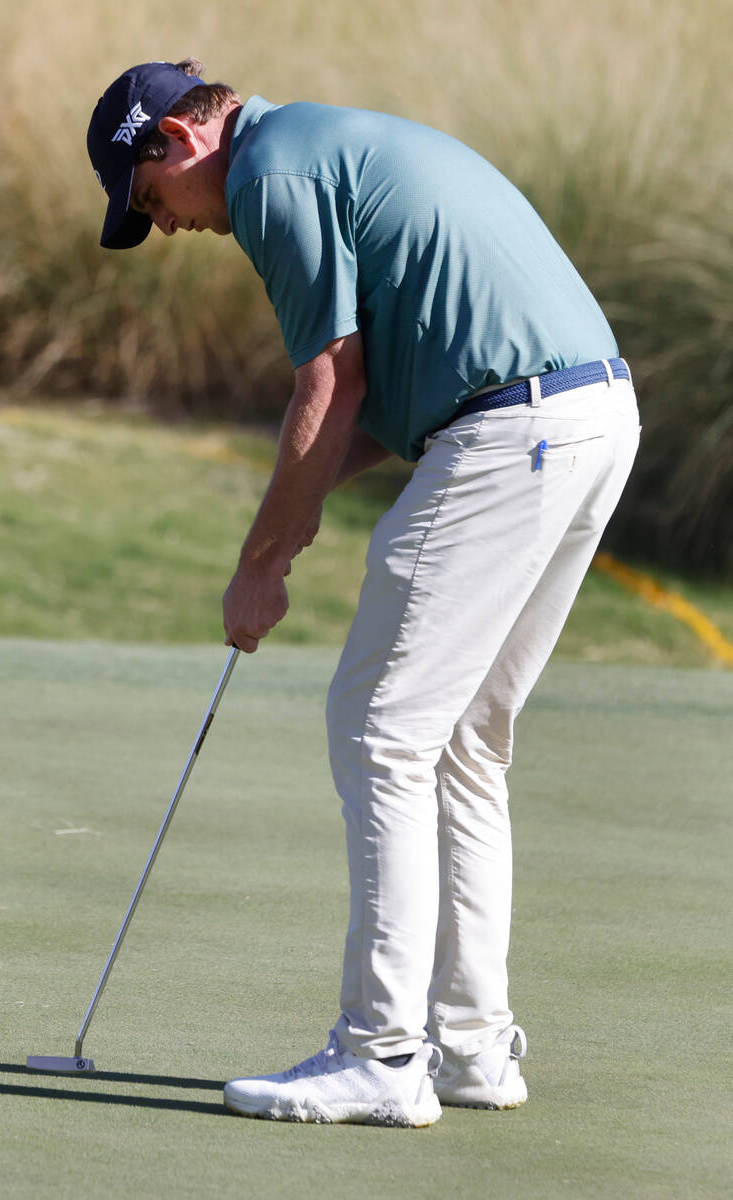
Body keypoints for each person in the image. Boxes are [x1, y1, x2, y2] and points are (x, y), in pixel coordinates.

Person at [86, 59, 640, 1126]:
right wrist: (283, 534)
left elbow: (328, 379)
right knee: (466, 740)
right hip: (590, 417)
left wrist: (258, 565)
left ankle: (383, 1053)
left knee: (382, 727)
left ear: (178, 142)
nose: (164, 227)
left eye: (149, 201)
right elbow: (379, 402)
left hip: (511, 434)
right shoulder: (319, 146)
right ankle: (473, 1046)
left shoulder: (270, 179)